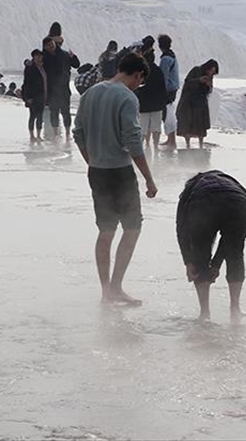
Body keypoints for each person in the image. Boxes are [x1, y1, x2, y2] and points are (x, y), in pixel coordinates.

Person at [72, 52, 158, 305]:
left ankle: (105, 290)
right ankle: (116, 287)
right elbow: (133, 142)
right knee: (132, 228)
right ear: (137, 75)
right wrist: (149, 179)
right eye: (140, 81)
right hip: (120, 172)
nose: (138, 85)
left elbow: (78, 133)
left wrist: (92, 160)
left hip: (97, 171)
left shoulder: (91, 93)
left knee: (106, 230)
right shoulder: (127, 98)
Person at [177, 170, 246, 322]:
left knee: (200, 256)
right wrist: (216, 264)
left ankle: (204, 313)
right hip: (237, 202)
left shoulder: (190, 190)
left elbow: (182, 227)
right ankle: (235, 309)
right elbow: (229, 240)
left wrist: (189, 261)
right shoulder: (234, 184)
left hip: (203, 202)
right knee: (235, 254)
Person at [42, 35, 80, 141]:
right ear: (45, 47)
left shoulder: (64, 54)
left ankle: (68, 133)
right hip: (52, 89)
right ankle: (55, 133)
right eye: (48, 45)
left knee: (65, 111)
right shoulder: (44, 58)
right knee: (53, 112)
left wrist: (73, 57)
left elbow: (76, 65)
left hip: (64, 88)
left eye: (52, 44)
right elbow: (35, 64)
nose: (51, 46)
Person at [175, 59, 218, 148]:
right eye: (210, 70)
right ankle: (187, 144)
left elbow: (209, 91)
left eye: (213, 72)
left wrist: (208, 85)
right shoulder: (196, 70)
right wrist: (199, 80)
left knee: (200, 126)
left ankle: (201, 144)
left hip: (201, 103)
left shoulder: (209, 76)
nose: (210, 73)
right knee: (188, 125)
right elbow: (187, 83)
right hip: (189, 102)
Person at [134, 49, 167, 149]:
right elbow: (163, 87)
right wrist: (163, 102)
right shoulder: (158, 70)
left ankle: (141, 148)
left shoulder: (141, 71)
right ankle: (156, 146)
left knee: (142, 128)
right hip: (157, 104)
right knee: (156, 128)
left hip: (143, 104)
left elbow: (137, 86)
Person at [158, 34, 180, 147]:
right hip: (173, 89)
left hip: (168, 90)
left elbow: (163, 77)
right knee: (170, 114)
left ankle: (172, 141)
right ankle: (171, 139)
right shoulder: (172, 56)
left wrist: (160, 91)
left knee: (167, 115)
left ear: (159, 45)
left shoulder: (165, 59)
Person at [21, 49, 48, 143]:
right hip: (33, 96)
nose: (39, 57)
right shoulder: (30, 67)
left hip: (42, 95)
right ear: (33, 57)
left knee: (40, 116)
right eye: (37, 56)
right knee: (33, 115)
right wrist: (28, 97)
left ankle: (39, 135)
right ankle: (32, 135)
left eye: (40, 56)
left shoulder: (43, 66)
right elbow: (27, 83)